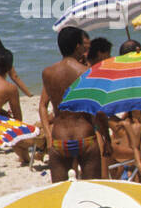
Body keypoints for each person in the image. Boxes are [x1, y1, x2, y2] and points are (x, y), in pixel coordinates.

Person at [40, 27, 110, 181]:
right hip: (84, 136)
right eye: (83, 45)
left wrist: (47, 134)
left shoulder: (48, 73)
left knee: (60, 192)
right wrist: (107, 138)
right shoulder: (87, 72)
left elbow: (43, 106)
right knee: (92, 190)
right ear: (77, 46)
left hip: (59, 138)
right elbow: (97, 110)